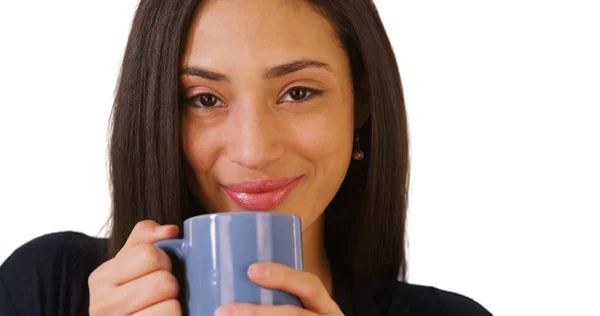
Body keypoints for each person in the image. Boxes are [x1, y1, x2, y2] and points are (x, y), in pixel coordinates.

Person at [0, 0, 492, 315]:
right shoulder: (49, 286)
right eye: (205, 99)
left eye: (298, 92)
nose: (254, 151)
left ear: (359, 103)